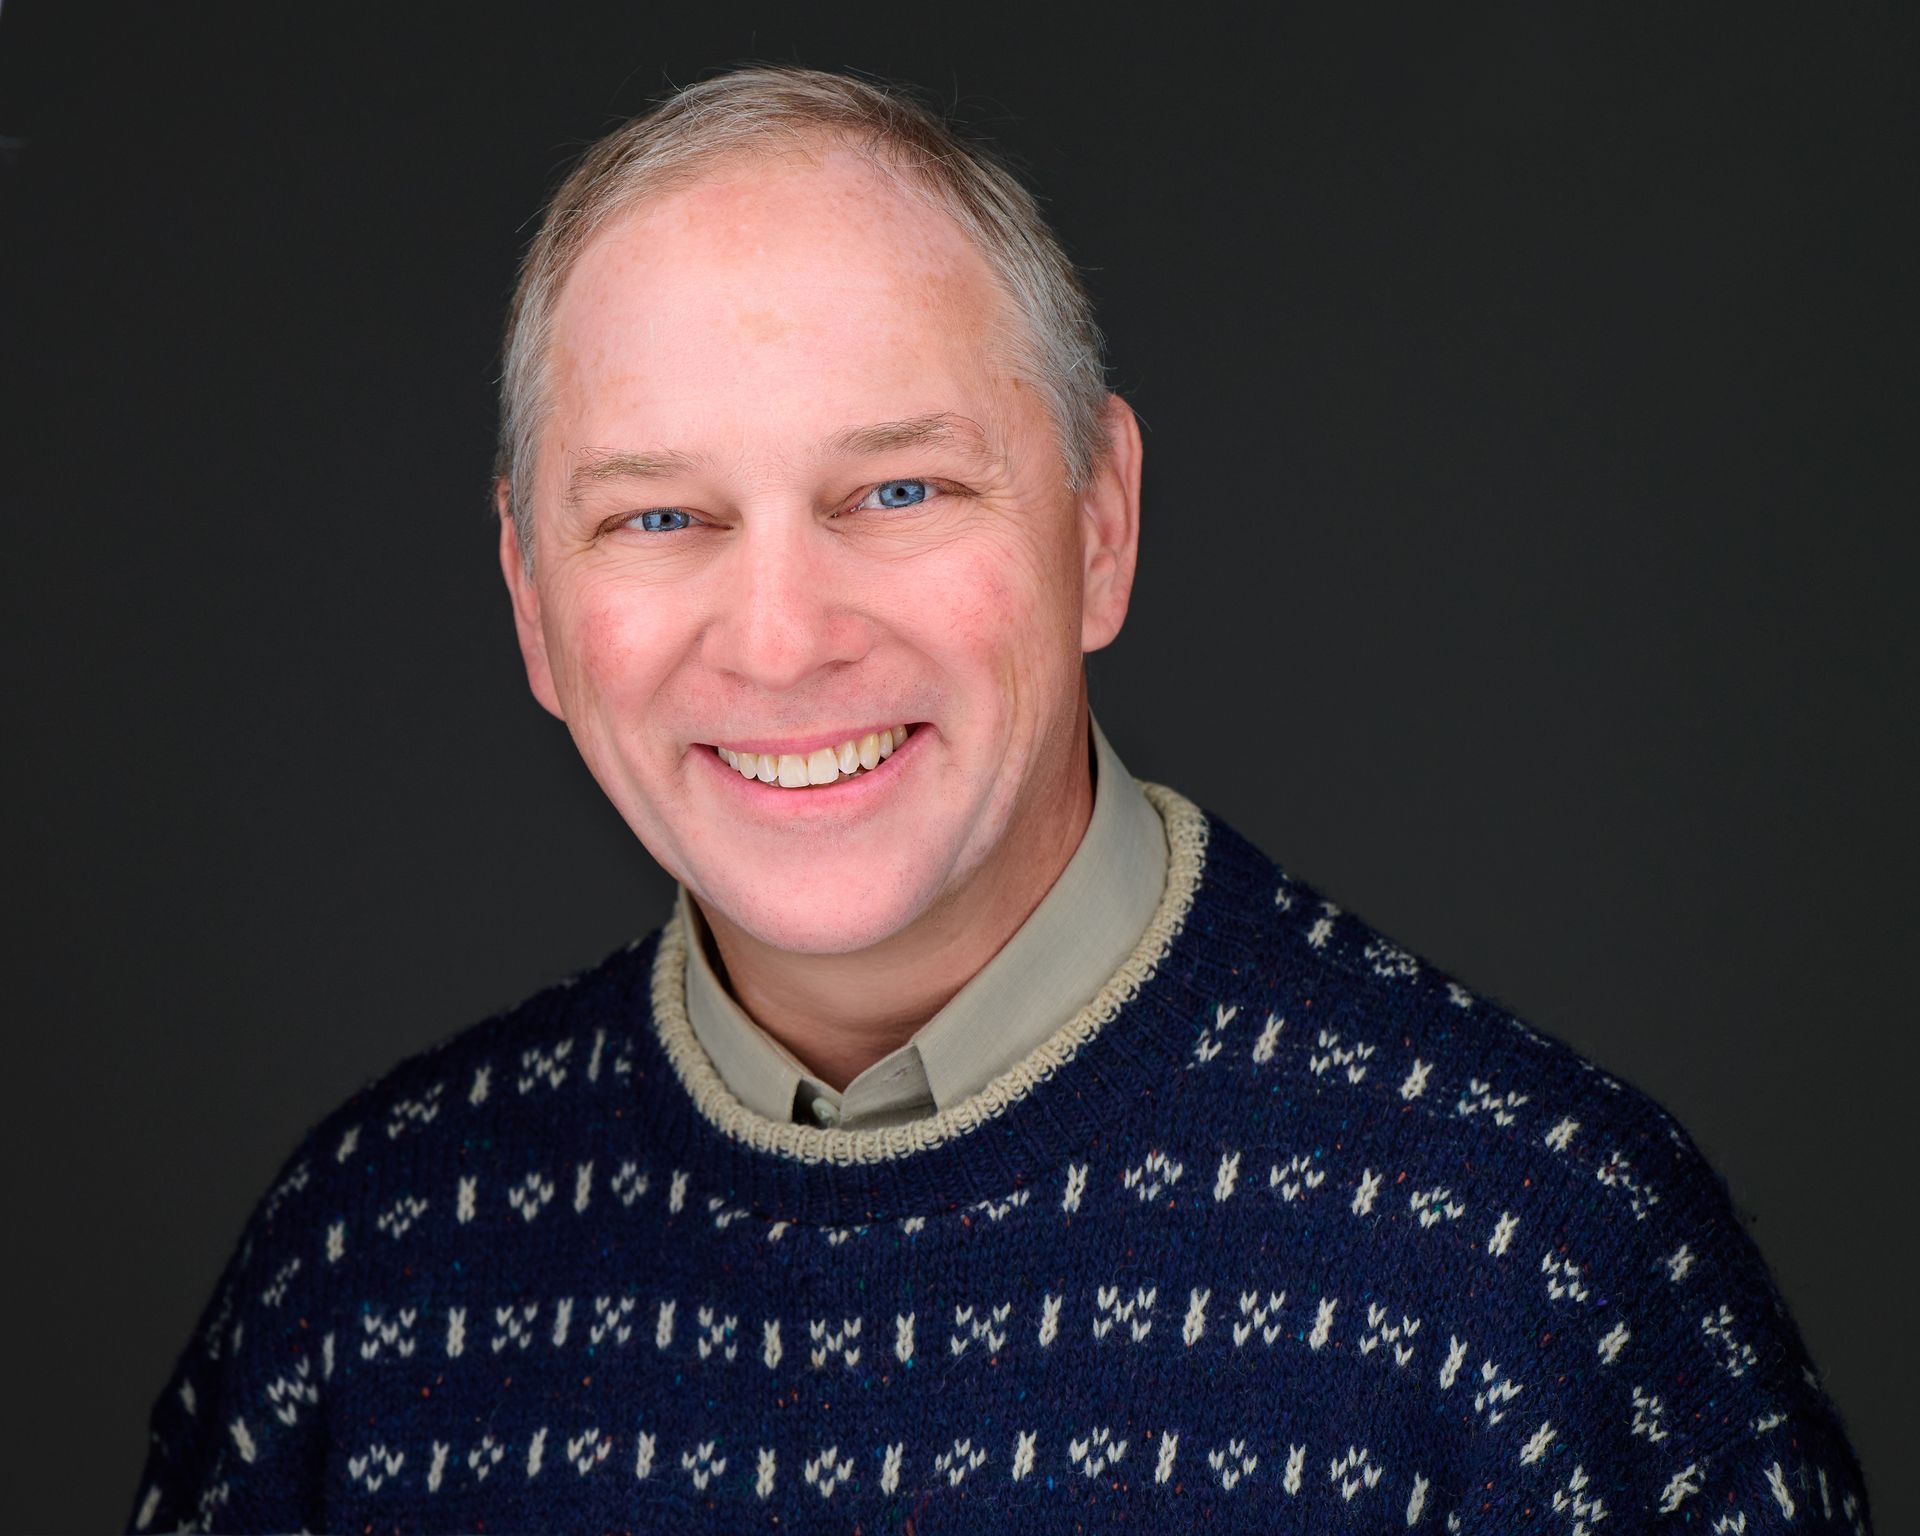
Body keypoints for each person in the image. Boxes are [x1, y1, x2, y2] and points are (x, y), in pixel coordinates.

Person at [127, 66, 1873, 1533]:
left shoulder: (1531, 1258)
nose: (784, 636)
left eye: (896, 487)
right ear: (532, 606)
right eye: (659, 517)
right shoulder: (365, 1273)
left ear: (1098, 525)